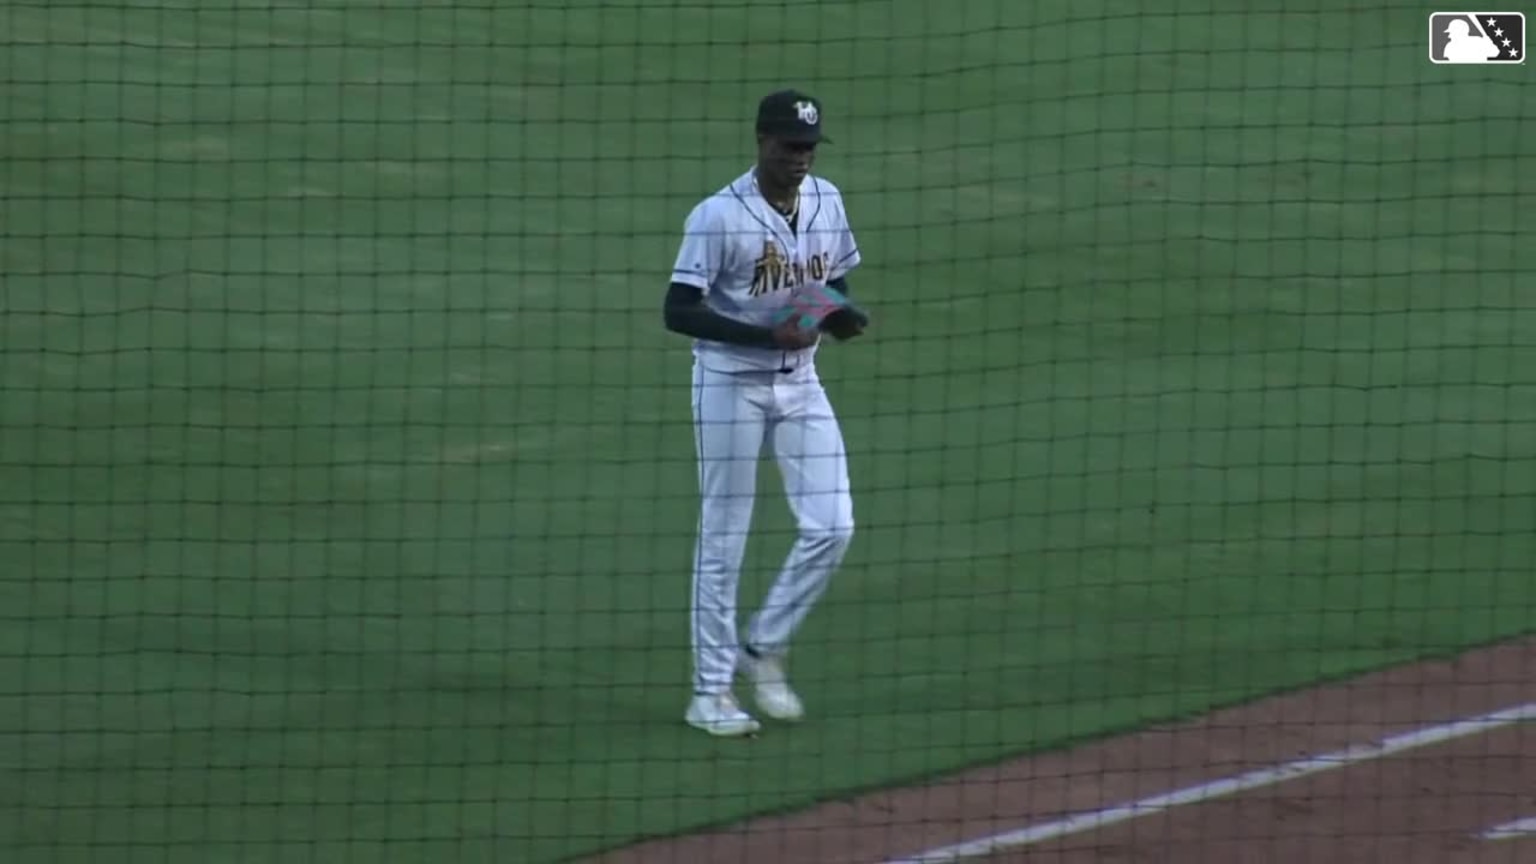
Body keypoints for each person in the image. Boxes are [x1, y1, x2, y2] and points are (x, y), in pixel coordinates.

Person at [663, 88, 864, 736]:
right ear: (761, 142)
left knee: (833, 526)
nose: (800, 157)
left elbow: (833, 280)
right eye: (789, 145)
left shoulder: (827, 199)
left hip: (801, 383)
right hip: (730, 385)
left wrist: (837, 315)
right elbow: (679, 308)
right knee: (725, 537)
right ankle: (709, 693)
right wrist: (764, 337)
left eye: (808, 146)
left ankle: (762, 646)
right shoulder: (718, 216)